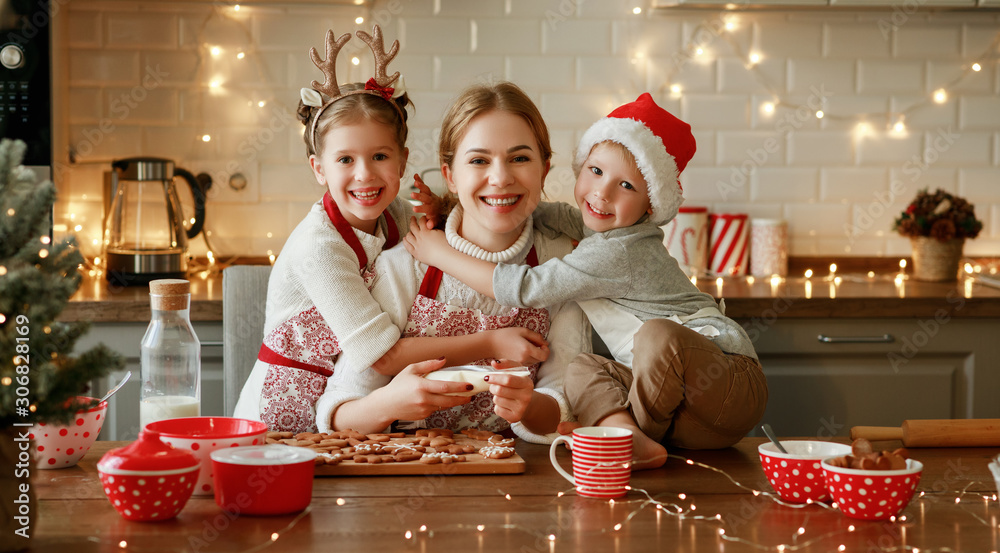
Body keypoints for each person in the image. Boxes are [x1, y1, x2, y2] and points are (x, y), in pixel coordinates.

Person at [404, 92, 768, 467]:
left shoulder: (620, 249)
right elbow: (532, 207)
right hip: (684, 415)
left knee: (659, 336)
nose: (602, 192)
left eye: (626, 186)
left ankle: (616, 438)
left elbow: (527, 288)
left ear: (651, 205)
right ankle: (629, 439)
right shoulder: (602, 225)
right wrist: (454, 203)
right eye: (595, 171)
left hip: (725, 381)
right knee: (583, 369)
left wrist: (440, 254)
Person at [232, 29, 549, 433]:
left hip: (348, 402)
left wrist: (441, 207)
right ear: (318, 168)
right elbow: (382, 356)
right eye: (345, 159)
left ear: (402, 162)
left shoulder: (392, 213)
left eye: (379, 156)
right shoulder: (320, 248)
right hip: (282, 408)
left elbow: (463, 214)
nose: (365, 174)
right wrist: (490, 342)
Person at [314, 82, 591, 442]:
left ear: (545, 169)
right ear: (450, 176)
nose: (501, 178)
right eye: (478, 160)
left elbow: (562, 403)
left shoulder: (562, 266)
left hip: (517, 484)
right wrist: (389, 404)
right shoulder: (405, 266)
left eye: (520, 158)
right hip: (401, 482)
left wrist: (527, 405)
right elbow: (338, 415)